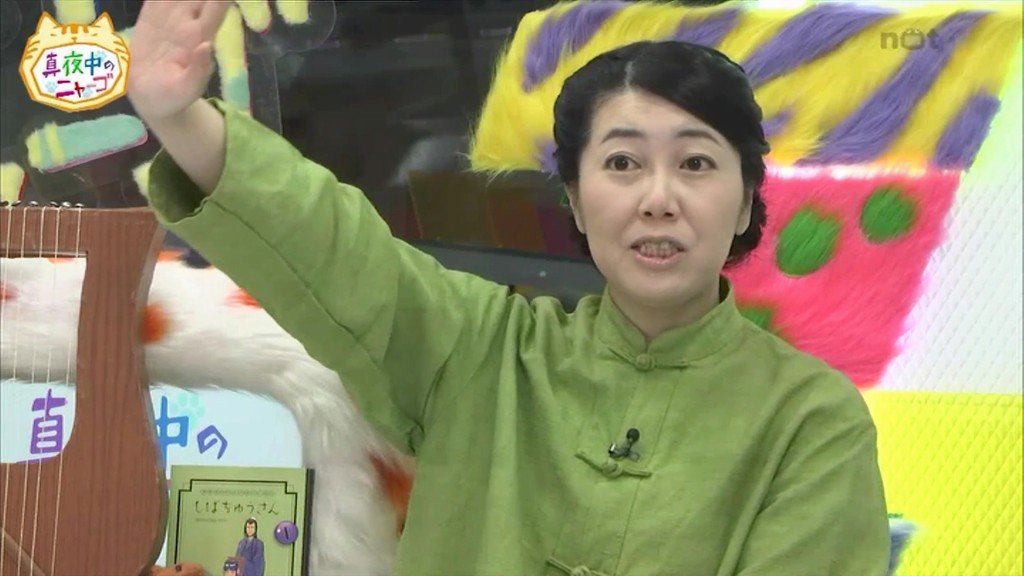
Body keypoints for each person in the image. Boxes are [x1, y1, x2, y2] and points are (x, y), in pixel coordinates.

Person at [128, 2, 891, 575]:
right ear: (576, 202)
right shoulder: (479, 352)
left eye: (696, 164)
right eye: (622, 164)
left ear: (748, 201)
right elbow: (327, 244)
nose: (658, 198)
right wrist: (177, 115)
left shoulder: (810, 421)